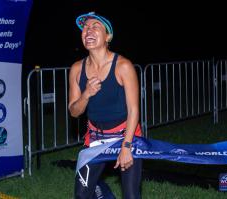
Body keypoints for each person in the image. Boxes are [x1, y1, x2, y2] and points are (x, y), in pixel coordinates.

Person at [68, 12, 143, 199]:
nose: (88, 31)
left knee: (132, 195)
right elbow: (74, 111)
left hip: (126, 137)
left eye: (95, 26)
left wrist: (126, 146)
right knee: (82, 194)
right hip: (95, 139)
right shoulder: (77, 69)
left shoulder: (123, 66)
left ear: (108, 36)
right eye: (85, 28)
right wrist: (86, 94)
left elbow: (134, 110)